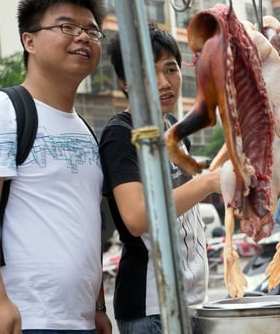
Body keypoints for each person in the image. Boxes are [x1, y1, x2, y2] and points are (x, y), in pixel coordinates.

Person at [0, 0, 111, 333]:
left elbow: (85, 225)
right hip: (20, 318)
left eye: (91, 30)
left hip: (78, 321)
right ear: (29, 41)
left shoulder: (85, 131)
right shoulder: (1, 110)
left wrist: (98, 306)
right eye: (66, 27)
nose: (82, 37)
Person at [100, 24, 222, 332]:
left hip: (191, 300)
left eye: (171, 69)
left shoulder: (175, 132)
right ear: (126, 82)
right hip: (150, 306)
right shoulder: (121, 134)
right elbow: (137, 218)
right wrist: (206, 182)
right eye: (148, 73)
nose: (163, 83)